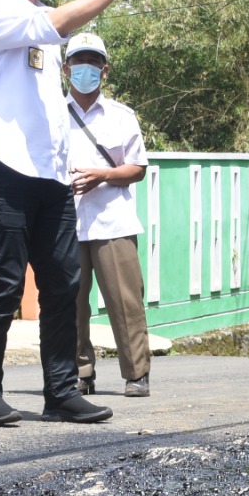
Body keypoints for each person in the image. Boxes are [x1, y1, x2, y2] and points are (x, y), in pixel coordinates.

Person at [0, 0, 164, 427]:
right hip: (3, 170)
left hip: (49, 177)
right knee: (6, 284)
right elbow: (56, 25)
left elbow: (57, 33)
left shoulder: (38, 23)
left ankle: (61, 390)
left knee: (62, 285)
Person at [63, 31, 154, 400]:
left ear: (105, 70)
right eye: (79, 61)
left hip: (112, 221)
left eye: (94, 61)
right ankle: (79, 373)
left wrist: (102, 175)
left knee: (125, 301)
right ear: (66, 68)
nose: (86, 68)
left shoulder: (121, 116)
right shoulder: (51, 114)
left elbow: (138, 168)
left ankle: (137, 374)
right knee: (69, 303)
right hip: (66, 223)